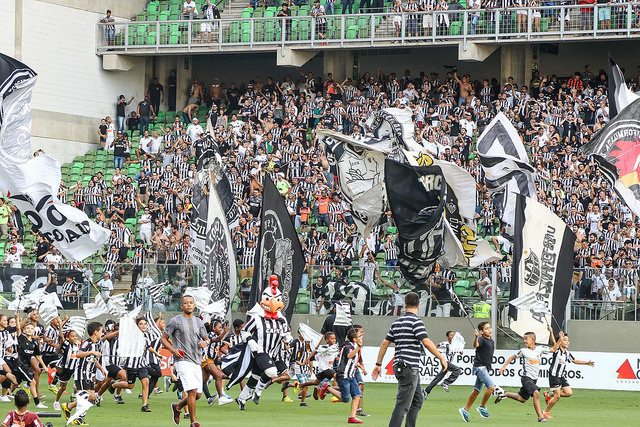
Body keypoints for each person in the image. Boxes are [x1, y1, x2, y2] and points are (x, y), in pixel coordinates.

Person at [371, 292, 448, 427]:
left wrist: (378, 364)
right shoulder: (416, 321)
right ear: (419, 305)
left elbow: (384, 343)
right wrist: (441, 357)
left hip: (401, 364)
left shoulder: (397, 322)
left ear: (405, 304)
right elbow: (426, 341)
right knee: (403, 405)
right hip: (409, 366)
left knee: (418, 400)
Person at [162, 295, 211, 427]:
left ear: (194, 305)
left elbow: (207, 339)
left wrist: (205, 343)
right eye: (186, 303)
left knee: (198, 395)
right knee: (192, 391)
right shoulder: (175, 321)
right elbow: (163, 338)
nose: (189, 305)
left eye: (191, 303)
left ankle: (177, 407)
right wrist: (173, 350)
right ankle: (193, 422)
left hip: (196, 360)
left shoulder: (199, 322)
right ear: (181, 306)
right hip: (182, 360)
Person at [495, 329, 552, 423]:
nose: (524, 341)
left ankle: (504, 393)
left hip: (534, 380)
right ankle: (540, 417)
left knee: (521, 399)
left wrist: (553, 334)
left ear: (533, 340)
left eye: (526, 339)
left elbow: (553, 349)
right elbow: (512, 357)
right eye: (524, 339)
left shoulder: (540, 349)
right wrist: (503, 367)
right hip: (526, 378)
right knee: (536, 393)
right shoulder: (523, 351)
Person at [542, 331, 594, 419]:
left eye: (568, 340)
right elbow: (554, 342)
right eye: (565, 340)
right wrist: (551, 332)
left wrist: (586, 363)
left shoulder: (567, 353)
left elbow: (574, 361)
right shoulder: (557, 350)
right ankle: (545, 412)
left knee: (569, 393)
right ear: (560, 341)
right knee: (557, 396)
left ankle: (548, 394)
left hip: (561, 376)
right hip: (554, 376)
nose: (567, 342)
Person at [458, 321, 497, 422]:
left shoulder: (491, 341)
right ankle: (482, 407)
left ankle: (465, 410)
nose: (489, 330)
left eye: (489, 328)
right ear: (481, 331)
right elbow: (476, 345)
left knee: (476, 391)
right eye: (486, 328)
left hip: (485, 368)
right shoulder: (481, 339)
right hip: (479, 368)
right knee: (491, 387)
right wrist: (476, 337)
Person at [424, 330, 463, 396]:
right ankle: (446, 383)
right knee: (458, 370)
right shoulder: (445, 343)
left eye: (453, 335)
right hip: (445, 361)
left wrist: (460, 351)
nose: (453, 336)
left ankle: (426, 391)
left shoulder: (455, 345)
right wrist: (439, 354)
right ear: (447, 337)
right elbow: (436, 346)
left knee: (438, 378)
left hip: (448, 363)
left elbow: (459, 351)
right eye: (451, 335)